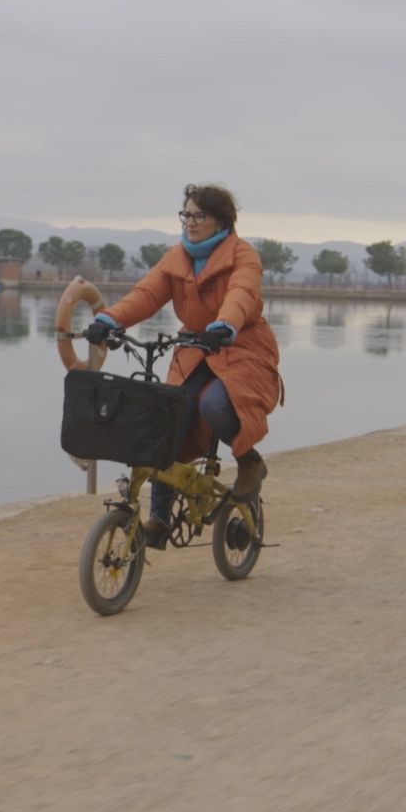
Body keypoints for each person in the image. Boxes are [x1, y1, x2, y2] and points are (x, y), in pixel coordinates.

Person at [83, 183, 282, 546]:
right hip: (192, 347)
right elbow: (146, 294)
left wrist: (225, 325)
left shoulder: (243, 255)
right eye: (186, 214)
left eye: (198, 215)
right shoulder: (176, 258)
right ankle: (159, 519)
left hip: (241, 346)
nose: (190, 222)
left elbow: (241, 293)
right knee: (167, 419)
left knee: (215, 405)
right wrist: (110, 320)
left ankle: (249, 461)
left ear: (220, 220)